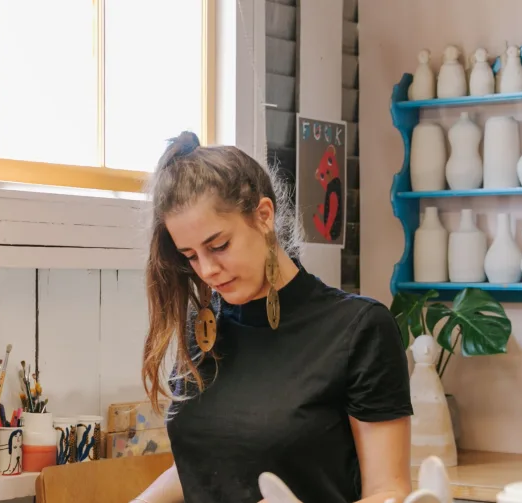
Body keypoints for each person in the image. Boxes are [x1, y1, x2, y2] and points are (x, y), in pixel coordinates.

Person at [132, 132, 413, 503]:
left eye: (219, 246)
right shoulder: (202, 331)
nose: (207, 270)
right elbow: (201, 467)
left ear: (264, 215)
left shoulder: (359, 329)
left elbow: (390, 492)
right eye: (191, 255)